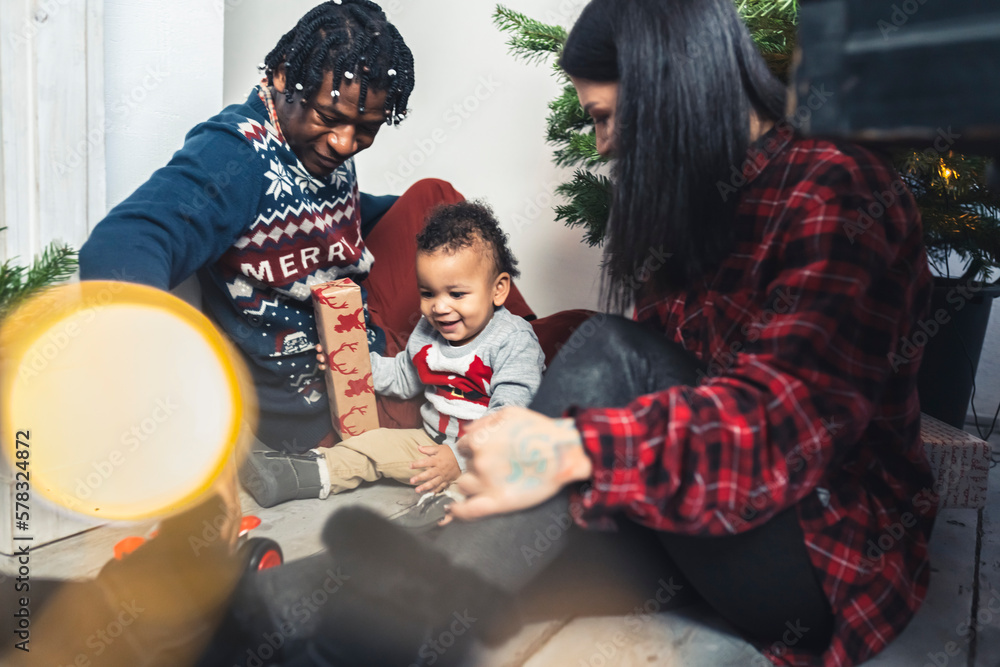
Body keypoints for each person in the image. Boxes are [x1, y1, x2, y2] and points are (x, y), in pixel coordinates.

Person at [79, 0, 431, 454]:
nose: (345, 143)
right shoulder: (236, 155)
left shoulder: (312, 147)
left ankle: (505, 349)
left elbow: (323, 210)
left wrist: (412, 215)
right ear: (284, 75)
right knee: (536, 360)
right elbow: (127, 239)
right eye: (329, 118)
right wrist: (147, 365)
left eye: (365, 128)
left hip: (366, 330)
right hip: (326, 395)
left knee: (433, 199)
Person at [241, 201, 545, 515]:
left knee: (487, 481)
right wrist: (352, 365)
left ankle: (447, 512)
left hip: (491, 454)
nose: (439, 307)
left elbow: (509, 416)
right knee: (374, 447)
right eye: (428, 293)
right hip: (428, 441)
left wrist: (459, 458)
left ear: (498, 290)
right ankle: (298, 474)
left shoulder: (513, 340)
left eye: (456, 294)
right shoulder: (429, 330)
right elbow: (402, 376)